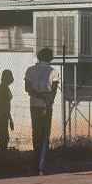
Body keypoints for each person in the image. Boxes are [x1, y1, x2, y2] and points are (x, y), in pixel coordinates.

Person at [24, 47, 59, 175]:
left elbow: (27, 88)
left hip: (34, 104)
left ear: (39, 57)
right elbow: (54, 90)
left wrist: (38, 95)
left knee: (36, 134)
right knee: (45, 136)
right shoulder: (54, 71)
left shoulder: (30, 70)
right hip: (47, 106)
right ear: (50, 58)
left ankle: (34, 164)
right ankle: (42, 166)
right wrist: (47, 100)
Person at [0, 70, 15, 151]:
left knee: (4, 138)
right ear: (7, 77)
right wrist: (10, 119)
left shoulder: (3, 87)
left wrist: (9, 118)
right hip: (2, 115)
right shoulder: (3, 88)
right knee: (4, 138)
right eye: (10, 76)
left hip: (2, 115)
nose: (12, 78)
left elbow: (4, 105)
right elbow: (4, 105)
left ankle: (2, 155)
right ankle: (2, 156)